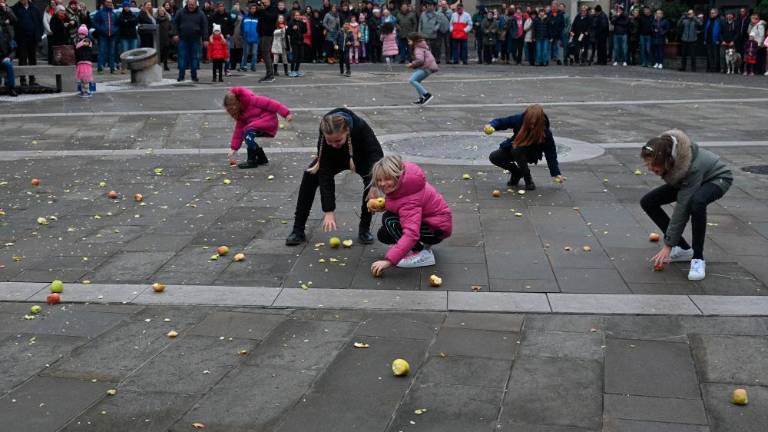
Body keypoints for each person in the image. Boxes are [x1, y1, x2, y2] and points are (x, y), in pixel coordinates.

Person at [640, 130, 732, 281]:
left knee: (697, 203)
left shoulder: (690, 167)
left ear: (665, 160)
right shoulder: (670, 152)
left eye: (652, 164)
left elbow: (682, 209)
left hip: (716, 179)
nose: (650, 168)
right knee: (648, 202)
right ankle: (683, 249)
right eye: (647, 164)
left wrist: (668, 245)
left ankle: (698, 258)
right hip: (688, 181)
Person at [285, 109, 384, 246]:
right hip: (332, 159)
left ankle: (364, 229)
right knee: (309, 176)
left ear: (347, 131)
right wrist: (329, 210)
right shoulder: (325, 129)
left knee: (370, 185)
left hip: (361, 158)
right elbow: (324, 173)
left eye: (338, 140)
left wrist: (374, 184)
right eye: (329, 141)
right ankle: (298, 230)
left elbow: (376, 155)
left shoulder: (360, 126)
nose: (334, 144)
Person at [369, 155, 452, 275]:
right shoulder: (405, 183)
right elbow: (399, 204)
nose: (382, 184)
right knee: (384, 233)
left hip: (436, 230)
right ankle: (416, 248)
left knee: (388, 220)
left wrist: (389, 261)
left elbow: (411, 233)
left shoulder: (409, 198)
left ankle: (421, 253)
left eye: (387, 179)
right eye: (379, 180)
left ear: (397, 175)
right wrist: (382, 206)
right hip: (433, 223)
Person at [486, 104, 563, 190]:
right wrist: (491, 125)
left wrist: (556, 173)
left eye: (534, 123)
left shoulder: (545, 132)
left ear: (540, 121)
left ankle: (528, 179)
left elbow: (551, 154)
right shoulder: (519, 119)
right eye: (530, 122)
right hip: (514, 147)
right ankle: (517, 173)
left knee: (517, 150)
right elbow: (501, 122)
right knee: (494, 157)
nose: (532, 126)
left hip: (531, 154)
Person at [224, 86, 292, 169]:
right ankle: (261, 158)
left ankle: (251, 161)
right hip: (256, 126)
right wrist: (234, 148)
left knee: (248, 132)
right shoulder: (241, 113)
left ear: (238, 101)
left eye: (233, 106)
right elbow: (238, 131)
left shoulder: (254, 100)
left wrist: (286, 113)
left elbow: (273, 104)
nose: (233, 109)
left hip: (268, 122)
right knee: (247, 134)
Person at [174, 0, 208, 82]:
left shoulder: (201, 14)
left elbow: (205, 27)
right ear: (187, 4)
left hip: (195, 40)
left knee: (194, 58)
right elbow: (175, 24)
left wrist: (205, 39)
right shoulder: (180, 12)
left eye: (193, 4)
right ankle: (181, 76)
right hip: (182, 39)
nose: (191, 6)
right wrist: (175, 34)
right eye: (189, 4)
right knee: (182, 58)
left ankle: (194, 76)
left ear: (196, 4)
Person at [11, 0, 43, 86]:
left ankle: (32, 79)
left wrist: (39, 35)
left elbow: (39, 22)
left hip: (33, 38)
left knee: (33, 59)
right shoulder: (15, 8)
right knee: (22, 59)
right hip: (21, 39)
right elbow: (12, 21)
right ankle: (23, 80)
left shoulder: (34, 8)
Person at [407, 32, 437, 105]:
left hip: (426, 67)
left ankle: (426, 95)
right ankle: (422, 98)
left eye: (409, 40)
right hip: (429, 67)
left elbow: (420, 60)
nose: (408, 42)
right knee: (417, 81)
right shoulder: (421, 46)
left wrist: (412, 64)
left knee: (412, 80)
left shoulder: (418, 48)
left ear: (414, 40)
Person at [255, 0, 279, 82]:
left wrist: (263, 10)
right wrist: (259, 8)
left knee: (266, 54)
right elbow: (255, 14)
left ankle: (270, 76)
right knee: (264, 54)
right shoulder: (264, 9)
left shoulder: (273, 9)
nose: (263, 1)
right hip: (262, 34)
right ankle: (268, 74)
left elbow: (271, 18)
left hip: (267, 34)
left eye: (265, 0)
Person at [208, 1, 233, 75]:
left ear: (224, 7)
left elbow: (232, 26)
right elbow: (210, 26)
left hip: (226, 38)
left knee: (227, 54)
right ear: (217, 7)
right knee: (218, 55)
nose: (221, 8)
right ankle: (218, 69)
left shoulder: (228, 15)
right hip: (216, 39)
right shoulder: (214, 16)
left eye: (222, 6)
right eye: (219, 6)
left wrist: (230, 33)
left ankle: (227, 69)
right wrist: (211, 36)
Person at [0, 0, 17, 97]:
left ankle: (11, 88)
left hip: (5, 56)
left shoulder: (8, 34)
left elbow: (13, 48)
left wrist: (9, 57)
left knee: (8, 65)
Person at [117, 0, 139, 73]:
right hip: (124, 36)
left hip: (133, 36)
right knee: (124, 53)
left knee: (134, 52)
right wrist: (129, 22)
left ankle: (133, 67)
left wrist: (127, 21)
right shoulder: (120, 15)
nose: (127, 7)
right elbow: (122, 23)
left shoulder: (132, 14)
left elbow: (135, 22)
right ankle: (124, 67)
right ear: (123, 7)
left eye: (128, 6)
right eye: (126, 6)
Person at [74, 24, 94, 97]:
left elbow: (88, 43)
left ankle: (87, 91)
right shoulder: (79, 41)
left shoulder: (86, 41)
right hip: (80, 62)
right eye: (80, 34)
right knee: (82, 79)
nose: (81, 35)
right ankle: (83, 91)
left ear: (85, 34)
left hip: (86, 62)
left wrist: (80, 44)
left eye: (83, 34)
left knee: (85, 79)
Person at [240, 2, 258, 72]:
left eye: (255, 8)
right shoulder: (245, 17)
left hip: (255, 39)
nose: (254, 10)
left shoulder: (257, 18)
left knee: (254, 53)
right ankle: (243, 66)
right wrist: (243, 35)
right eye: (252, 8)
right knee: (245, 53)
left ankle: (253, 66)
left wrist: (258, 36)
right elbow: (241, 27)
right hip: (246, 38)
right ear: (249, 9)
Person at [287, 9, 306, 76]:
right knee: (295, 56)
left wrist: (304, 23)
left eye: (298, 15)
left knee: (300, 56)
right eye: (296, 15)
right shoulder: (291, 22)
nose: (297, 16)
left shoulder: (301, 22)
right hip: (294, 41)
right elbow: (287, 32)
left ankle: (296, 70)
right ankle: (292, 71)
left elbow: (304, 31)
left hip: (301, 41)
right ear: (294, 16)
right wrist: (292, 28)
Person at [703, 8, 722, 73]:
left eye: (713, 13)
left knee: (715, 55)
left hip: (715, 41)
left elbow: (720, 32)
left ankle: (715, 68)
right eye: (711, 13)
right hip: (708, 40)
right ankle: (710, 68)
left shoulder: (719, 21)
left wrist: (718, 40)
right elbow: (706, 30)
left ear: (716, 14)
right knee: (709, 55)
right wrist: (705, 39)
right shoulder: (708, 20)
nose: (711, 14)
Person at [156, 5, 173, 70]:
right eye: (160, 11)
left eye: (163, 11)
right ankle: (158, 65)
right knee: (160, 53)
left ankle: (165, 65)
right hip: (159, 38)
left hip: (166, 38)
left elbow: (170, 27)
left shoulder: (167, 19)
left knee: (166, 52)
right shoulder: (156, 19)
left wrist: (170, 33)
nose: (161, 12)